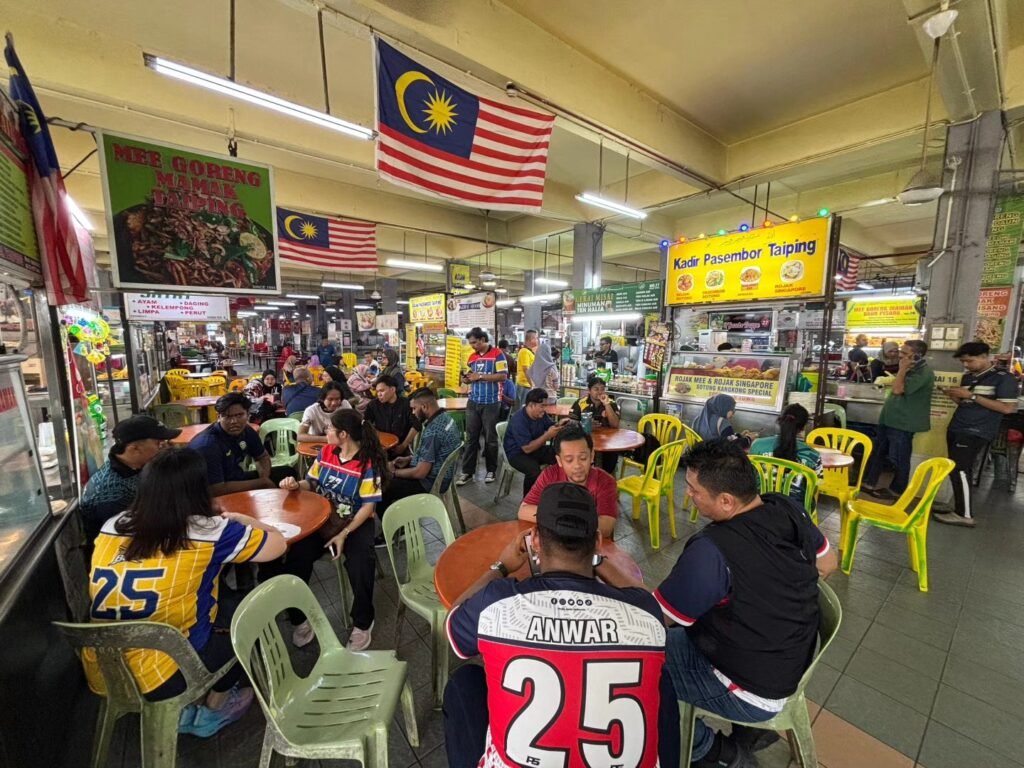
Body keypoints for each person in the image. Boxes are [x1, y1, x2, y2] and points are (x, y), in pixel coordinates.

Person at [443, 482, 671, 768]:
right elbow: (644, 598)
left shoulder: (497, 604)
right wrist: (596, 560)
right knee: (663, 681)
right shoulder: (644, 614)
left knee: (464, 682)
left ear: (535, 539)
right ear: (597, 540)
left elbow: (452, 625)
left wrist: (501, 566)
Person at [655, 441, 836, 766]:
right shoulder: (785, 506)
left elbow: (659, 617)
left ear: (726, 500)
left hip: (751, 690)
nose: (689, 495)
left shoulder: (712, 551)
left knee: (638, 669)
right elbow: (828, 563)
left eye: (694, 490)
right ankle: (749, 734)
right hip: (789, 662)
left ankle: (713, 752)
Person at [85, 449, 287, 737]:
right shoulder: (209, 531)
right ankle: (212, 711)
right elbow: (278, 544)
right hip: (164, 676)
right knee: (248, 619)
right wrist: (239, 519)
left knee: (215, 604)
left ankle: (184, 707)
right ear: (198, 490)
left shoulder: (113, 525)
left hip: (103, 670)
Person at [276, 409, 386, 650]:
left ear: (343, 434)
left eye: (330, 429)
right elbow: (311, 483)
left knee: (361, 563)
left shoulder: (368, 463)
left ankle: (363, 621)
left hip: (355, 521)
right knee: (296, 556)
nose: (326, 432)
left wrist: (344, 534)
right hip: (323, 518)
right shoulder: (326, 452)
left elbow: (368, 507)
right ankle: (298, 619)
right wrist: (295, 485)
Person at [935, 341, 1020, 527]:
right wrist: (955, 396)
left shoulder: (1003, 378)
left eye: (969, 361)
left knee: (961, 469)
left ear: (984, 356)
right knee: (955, 468)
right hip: (958, 427)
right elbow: (967, 404)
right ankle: (959, 505)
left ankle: (964, 515)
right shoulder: (968, 377)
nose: (966, 365)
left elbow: (1007, 408)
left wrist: (971, 396)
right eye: (963, 362)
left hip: (976, 431)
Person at [79, 415, 182, 541]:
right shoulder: (112, 493)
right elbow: (123, 538)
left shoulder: (133, 465)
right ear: (135, 449)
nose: (165, 448)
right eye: (159, 444)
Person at [862, 340, 934, 500]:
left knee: (900, 457)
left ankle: (897, 490)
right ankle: (869, 482)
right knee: (878, 452)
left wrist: (902, 369)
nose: (900, 355)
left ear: (917, 355)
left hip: (903, 422)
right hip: (889, 419)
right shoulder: (910, 369)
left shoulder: (923, 373)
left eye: (904, 353)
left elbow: (897, 389)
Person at [519, 424, 619, 539]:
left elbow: (606, 527)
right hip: (558, 543)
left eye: (583, 458)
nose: (577, 466)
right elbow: (523, 510)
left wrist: (557, 518)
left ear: (592, 456)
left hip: (589, 545)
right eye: (569, 460)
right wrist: (574, 522)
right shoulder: (550, 475)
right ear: (559, 461)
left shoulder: (605, 481)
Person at [191, 392, 293, 496]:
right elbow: (215, 489)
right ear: (219, 417)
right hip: (210, 494)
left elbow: (262, 457)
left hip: (236, 478)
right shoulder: (208, 445)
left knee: (287, 473)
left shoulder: (246, 430)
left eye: (239, 415)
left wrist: (264, 478)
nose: (234, 421)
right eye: (227, 416)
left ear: (248, 414)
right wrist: (261, 484)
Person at [382, 388, 463, 511]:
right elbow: (433, 454)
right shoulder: (446, 418)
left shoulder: (433, 432)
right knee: (390, 475)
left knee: (382, 488)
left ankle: (396, 522)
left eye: (414, 408)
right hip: (442, 475)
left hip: (429, 482)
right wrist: (410, 459)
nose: (413, 412)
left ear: (424, 407)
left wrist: (393, 473)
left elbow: (420, 473)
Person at [456, 328, 508, 486]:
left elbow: (503, 376)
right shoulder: (472, 357)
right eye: (470, 343)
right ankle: (467, 472)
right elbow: (470, 375)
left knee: (490, 439)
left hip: (491, 402)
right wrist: (466, 379)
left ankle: (491, 470)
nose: (472, 346)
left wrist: (479, 376)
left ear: (483, 339)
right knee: (471, 438)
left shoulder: (498, 354)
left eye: (474, 342)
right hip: (473, 401)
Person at [749, 403, 823, 507]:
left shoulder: (757, 445)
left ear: (780, 421)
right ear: (802, 428)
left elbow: (750, 476)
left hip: (761, 505)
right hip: (797, 510)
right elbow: (815, 486)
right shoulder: (813, 455)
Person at [504, 387, 568, 497]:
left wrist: (560, 424)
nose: (544, 409)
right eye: (542, 406)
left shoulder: (541, 414)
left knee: (561, 455)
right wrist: (547, 435)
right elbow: (527, 448)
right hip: (517, 453)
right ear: (531, 405)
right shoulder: (518, 420)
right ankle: (528, 500)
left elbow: (550, 425)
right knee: (533, 471)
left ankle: (558, 492)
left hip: (535, 449)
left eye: (545, 405)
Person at [570, 375, 622, 474]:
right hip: (585, 440)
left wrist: (606, 404)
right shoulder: (580, 403)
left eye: (602, 389)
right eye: (596, 389)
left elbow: (615, 425)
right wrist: (585, 424)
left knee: (609, 461)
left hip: (607, 442)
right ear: (589, 390)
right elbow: (571, 423)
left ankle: (606, 474)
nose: (600, 392)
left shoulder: (611, 403)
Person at [365, 374, 420, 456]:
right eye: (377, 392)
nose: (379, 394)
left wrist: (403, 446)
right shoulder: (373, 405)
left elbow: (416, 425)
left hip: (401, 447)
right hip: (381, 447)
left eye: (382, 391)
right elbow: (366, 423)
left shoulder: (406, 404)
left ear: (393, 389)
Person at [692, 393, 757, 449]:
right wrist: (748, 439)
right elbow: (733, 445)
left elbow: (724, 439)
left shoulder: (697, 419)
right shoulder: (723, 422)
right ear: (724, 408)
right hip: (716, 457)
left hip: (699, 456)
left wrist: (739, 435)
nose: (733, 412)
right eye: (732, 409)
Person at [515, 329, 538, 408]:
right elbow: (526, 369)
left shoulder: (530, 352)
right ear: (531, 339)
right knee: (523, 408)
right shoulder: (524, 351)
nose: (537, 340)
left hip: (528, 386)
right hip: (524, 386)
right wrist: (532, 385)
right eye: (536, 338)